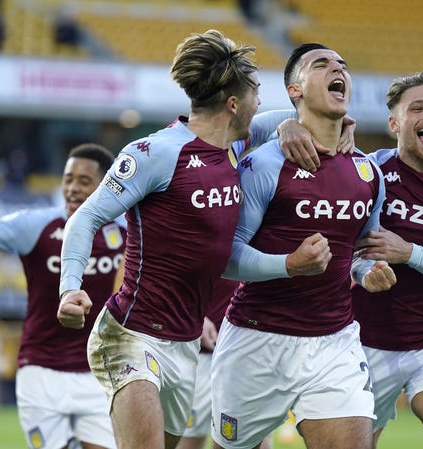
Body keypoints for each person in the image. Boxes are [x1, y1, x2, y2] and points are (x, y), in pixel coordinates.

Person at [56, 29, 270, 449]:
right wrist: (69, 288)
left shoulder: (234, 147)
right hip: (131, 335)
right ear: (233, 103)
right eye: (256, 93)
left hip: (186, 343)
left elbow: (284, 121)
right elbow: (86, 219)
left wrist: (308, 128)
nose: (260, 103)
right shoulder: (156, 152)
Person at [278, 70, 423, 449]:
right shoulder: (368, 171)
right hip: (361, 343)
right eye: (418, 108)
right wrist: (285, 126)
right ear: (395, 122)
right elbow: (347, 251)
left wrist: (410, 253)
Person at [210, 43, 396, 449]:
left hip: (334, 340)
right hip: (256, 340)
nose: (338, 69)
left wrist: (368, 273)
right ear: (294, 91)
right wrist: (289, 264)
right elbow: (225, 258)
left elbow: (360, 253)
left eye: (343, 65)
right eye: (322, 64)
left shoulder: (368, 173)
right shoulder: (262, 165)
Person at [0, 143, 124, 449]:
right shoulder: (36, 226)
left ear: (107, 187)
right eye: (68, 179)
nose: (72, 188)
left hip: (98, 372)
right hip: (40, 371)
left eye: (84, 181)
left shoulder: (127, 236)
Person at [180, 278, 273, 449]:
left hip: (248, 354)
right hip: (200, 355)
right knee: (188, 440)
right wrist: (190, 315)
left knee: (256, 438)